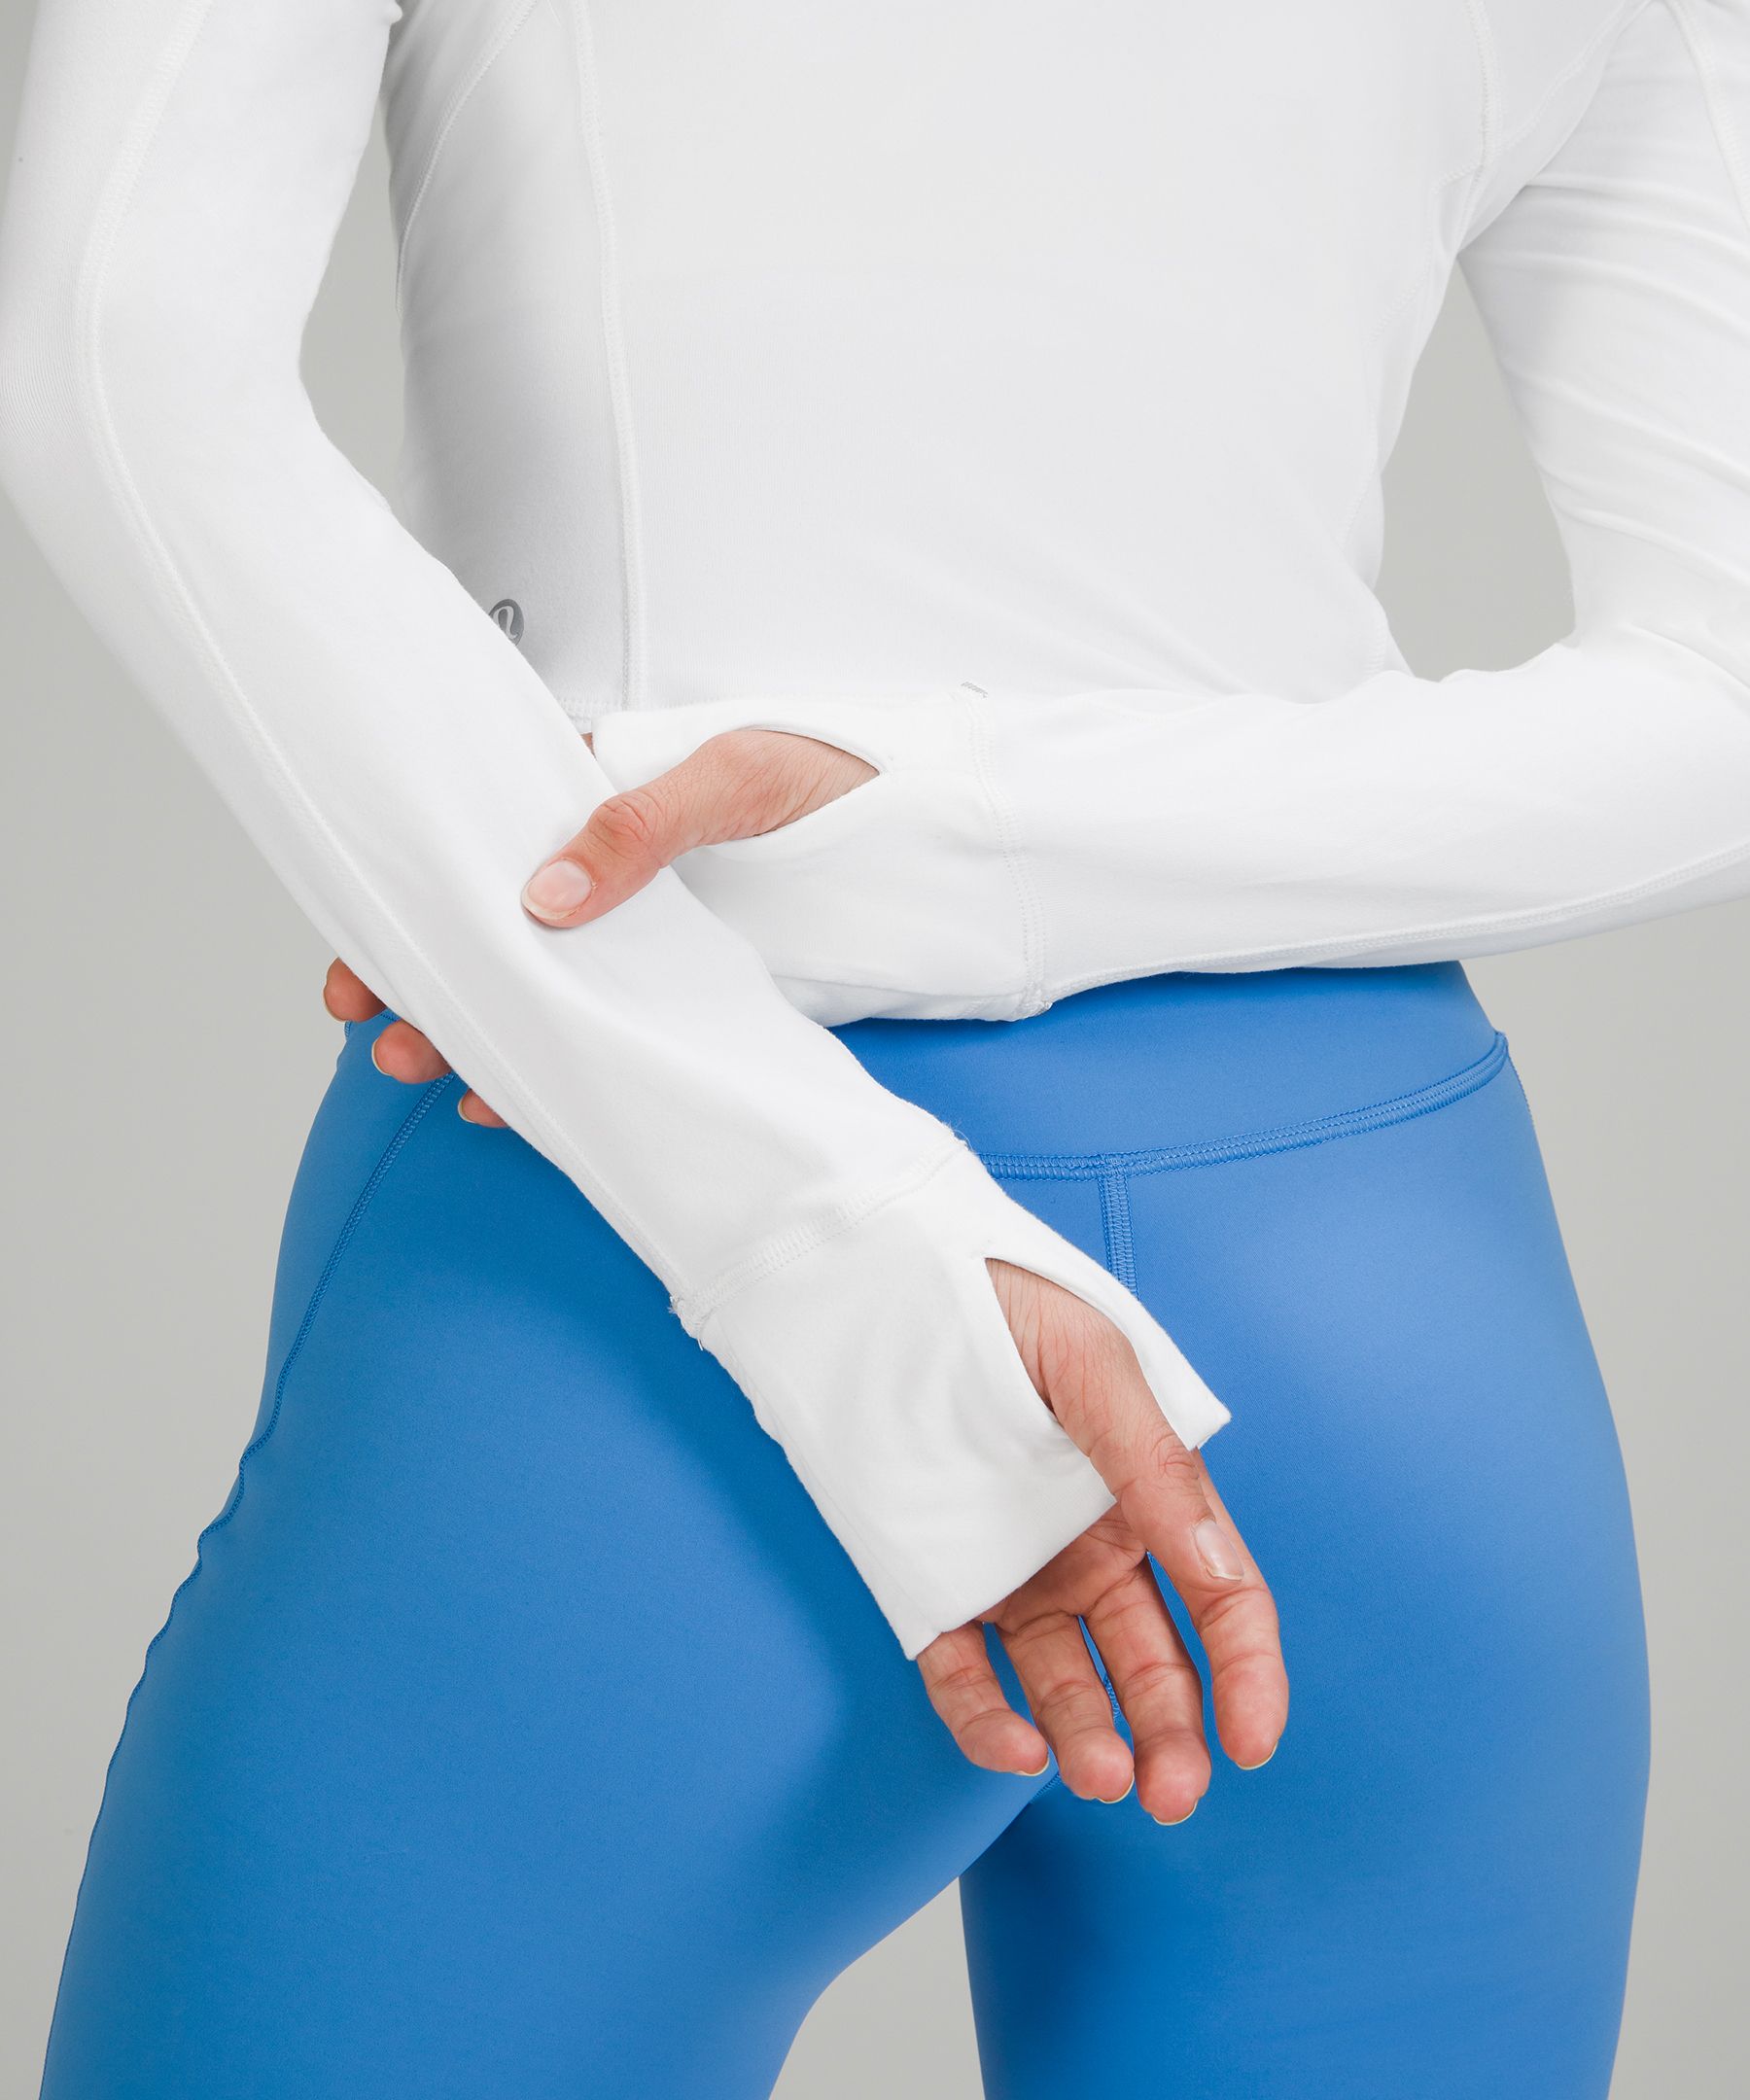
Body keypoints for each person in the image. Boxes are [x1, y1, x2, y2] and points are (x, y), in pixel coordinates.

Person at [0, 0, 1744, 2091]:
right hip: (1378, 1302)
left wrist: (835, 1128)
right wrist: (963, 826)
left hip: (630, 1253)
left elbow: (118, 364)